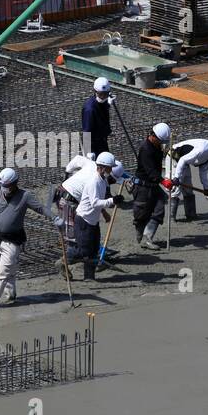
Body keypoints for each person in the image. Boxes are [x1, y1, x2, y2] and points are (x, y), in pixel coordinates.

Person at [0, 167, 46, 311]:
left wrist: (55, 218)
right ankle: (11, 295)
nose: (4, 188)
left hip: (13, 241)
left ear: (14, 183)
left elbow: (40, 208)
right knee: (3, 270)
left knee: (2, 274)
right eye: (2, 186)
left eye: (6, 186)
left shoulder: (25, 196)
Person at [68, 152, 118, 280]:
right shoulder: (94, 182)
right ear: (101, 167)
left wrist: (105, 212)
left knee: (94, 250)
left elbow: (99, 202)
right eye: (109, 168)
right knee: (84, 251)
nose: (111, 170)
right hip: (84, 220)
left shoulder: (102, 181)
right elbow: (95, 203)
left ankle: (89, 277)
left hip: (93, 221)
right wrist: (112, 201)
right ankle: (64, 260)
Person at [166, 134, 208, 222]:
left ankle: (191, 215)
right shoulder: (203, 149)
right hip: (174, 157)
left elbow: (203, 172)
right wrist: (176, 177)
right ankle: (171, 218)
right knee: (176, 189)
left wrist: (207, 188)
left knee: (188, 188)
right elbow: (183, 159)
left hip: (184, 161)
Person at [133, 122, 171, 250]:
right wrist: (163, 181)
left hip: (153, 185)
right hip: (143, 186)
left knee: (159, 209)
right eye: (160, 141)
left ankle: (147, 238)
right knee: (142, 213)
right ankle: (140, 233)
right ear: (153, 136)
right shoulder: (146, 149)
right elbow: (150, 171)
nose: (162, 143)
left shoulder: (156, 146)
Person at [81, 77, 114, 156]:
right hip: (94, 144)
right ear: (95, 91)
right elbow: (87, 131)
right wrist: (88, 151)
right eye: (100, 94)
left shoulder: (102, 102)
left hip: (102, 140)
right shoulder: (89, 109)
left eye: (105, 94)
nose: (103, 97)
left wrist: (108, 105)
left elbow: (101, 111)